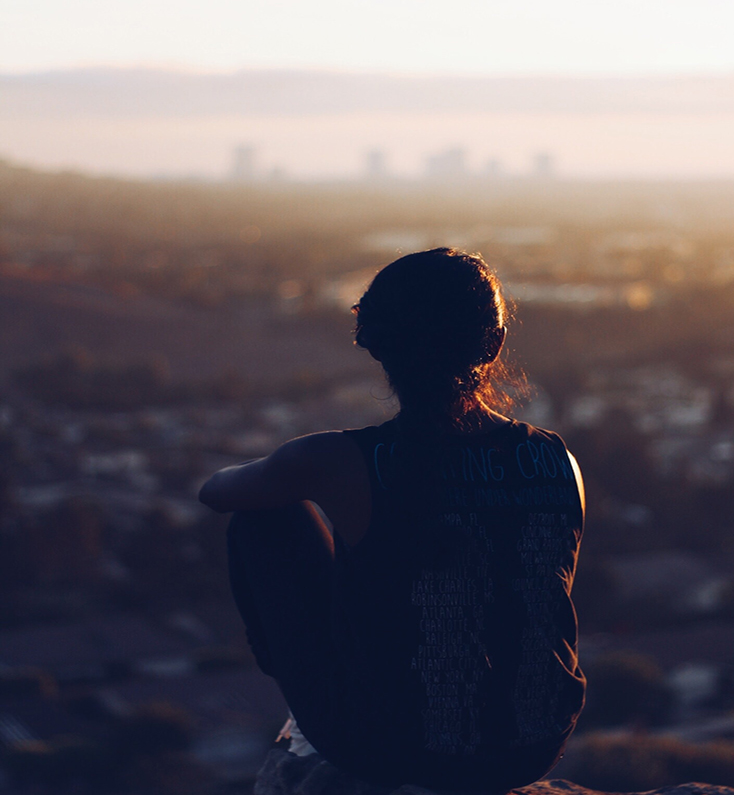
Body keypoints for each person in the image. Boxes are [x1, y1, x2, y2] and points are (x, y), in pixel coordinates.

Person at [199, 248, 586, 792]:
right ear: (495, 344)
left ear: (376, 346)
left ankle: (315, 710)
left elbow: (215, 492)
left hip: (392, 751)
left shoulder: (338, 461)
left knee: (261, 521)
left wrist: (293, 470)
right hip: (534, 745)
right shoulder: (557, 460)